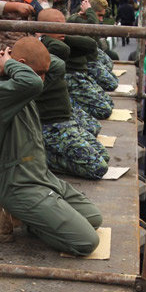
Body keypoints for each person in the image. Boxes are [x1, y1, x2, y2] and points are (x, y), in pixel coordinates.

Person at [0, 37, 102, 255]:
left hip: (43, 178)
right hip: (20, 187)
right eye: (39, 73)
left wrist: (12, 59)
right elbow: (33, 82)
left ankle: (25, 218)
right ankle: (16, 212)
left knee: (94, 218)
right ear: (21, 66)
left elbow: (58, 66)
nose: (44, 80)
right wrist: (10, 64)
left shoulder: (23, 84)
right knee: (86, 243)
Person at [36, 19, 109, 179]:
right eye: (59, 26)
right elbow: (60, 49)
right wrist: (45, 37)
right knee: (98, 168)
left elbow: (90, 45)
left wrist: (59, 33)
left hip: (66, 119)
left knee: (104, 154)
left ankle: (51, 153)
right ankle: (41, 158)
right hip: (52, 127)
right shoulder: (42, 51)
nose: (65, 30)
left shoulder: (58, 46)